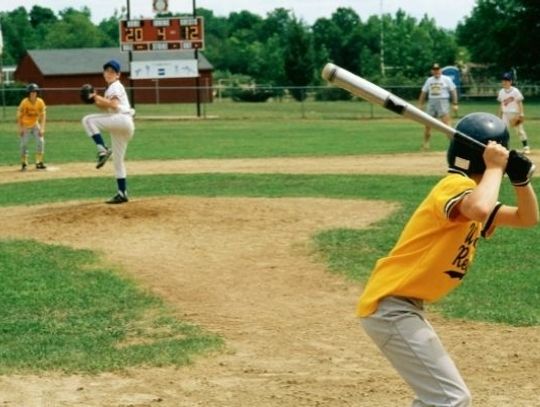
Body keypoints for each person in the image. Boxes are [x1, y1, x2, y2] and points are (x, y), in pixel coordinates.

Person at [357, 112, 538, 406]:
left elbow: (526, 218)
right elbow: (479, 208)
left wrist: (520, 182)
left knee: (442, 399)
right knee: (451, 399)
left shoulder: (474, 197)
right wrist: (496, 167)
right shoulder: (453, 187)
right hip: (391, 307)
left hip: (402, 308)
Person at [81, 59, 135, 204]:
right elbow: (106, 108)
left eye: (112, 71)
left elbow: (114, 105)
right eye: (107, 71)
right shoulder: (110, 89)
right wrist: (95, 100)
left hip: (121, 120)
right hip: (124, 126)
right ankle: (122, 193)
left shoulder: (115, 86)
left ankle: (102, 149)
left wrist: (95, 97)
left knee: (88, 120)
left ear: (118, 75)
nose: (109, 73)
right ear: (104, 74)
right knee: (118, 161)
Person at [418, 63, 459, 150]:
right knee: (427, 123)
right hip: (432, 101)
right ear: (432, 71)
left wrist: (455, 103)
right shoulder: (429, 80)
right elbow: (424, 92)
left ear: (440, 70)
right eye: (434, 70)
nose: (436, 71)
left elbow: (453, 90)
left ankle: (453, 145)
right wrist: (420, 104)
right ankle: (426, 144)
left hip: (443, 101)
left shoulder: (446, 79)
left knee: (446, 124)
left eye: (438, 69)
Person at [497, 72, 531, 154]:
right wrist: (499, 115)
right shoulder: (501, 91)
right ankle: (504, 147)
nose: (505, 82)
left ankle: (526, 147)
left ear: (510, 82)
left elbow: (519, 102)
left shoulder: (515, 91)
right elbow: (501, 104)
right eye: (503, 80)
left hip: (514, 114)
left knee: (519, 131)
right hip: (505, 114)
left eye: (507, 80)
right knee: (503, 131)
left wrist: (521, 113)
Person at [17, 83, 47, 171]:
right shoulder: (24, 102)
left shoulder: (40, 102)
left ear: (37, 93)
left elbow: (43, 116)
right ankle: (24, 163)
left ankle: (39, 162)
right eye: (31, 92)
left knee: (41, 141)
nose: (33, 93)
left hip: (35, 124)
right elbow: (19, 116)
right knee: (24, 144)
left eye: (35, 92)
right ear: (28, 93)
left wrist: (42, 128)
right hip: (25, 125)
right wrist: (20, 128)